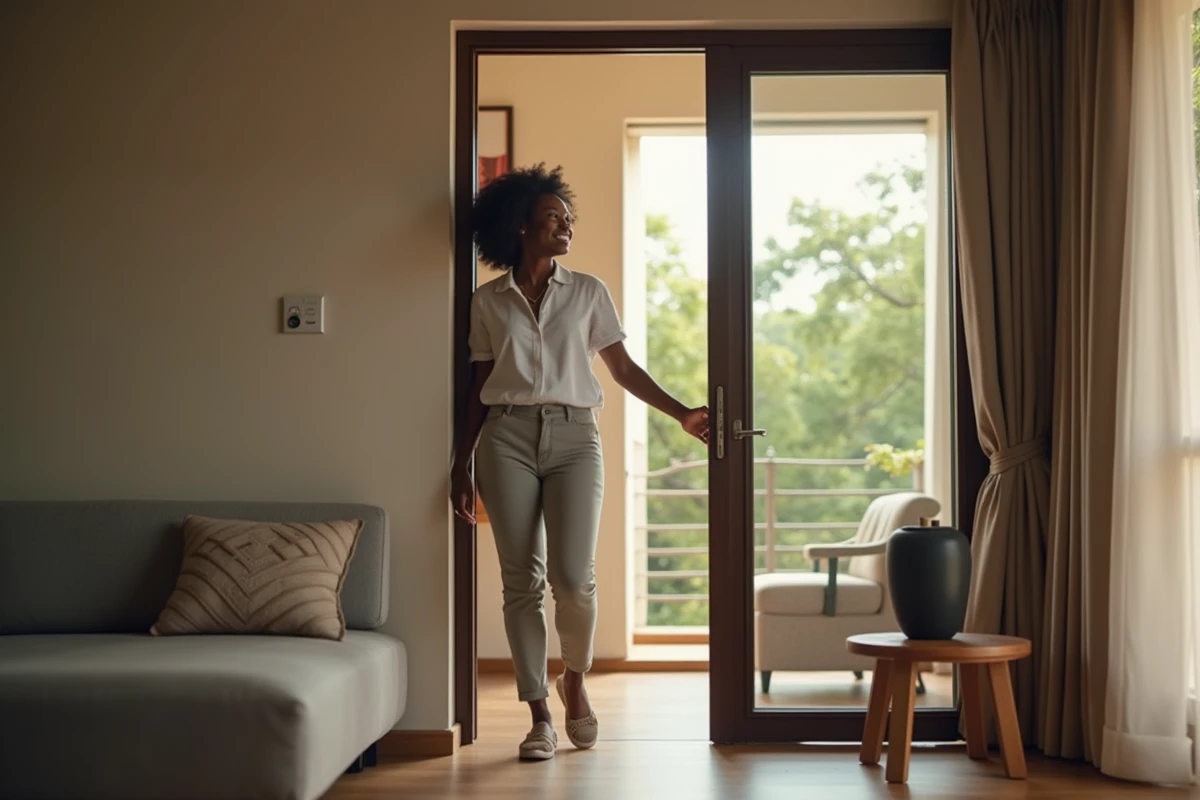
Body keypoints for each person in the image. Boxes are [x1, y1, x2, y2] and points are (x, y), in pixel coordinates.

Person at [450, 163, 709, 761]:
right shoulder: (487, 301)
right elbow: (479, 382)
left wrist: (679, 412)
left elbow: (619, 368)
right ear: (520, 227)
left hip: (575, 438)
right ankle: (539, 714)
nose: (565, 226)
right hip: (505, 436)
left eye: (568, 219)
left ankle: (575, 677)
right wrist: (462, 463)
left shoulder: (588, 291)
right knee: (521, 582)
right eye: (553, 218)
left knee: (573, 579)